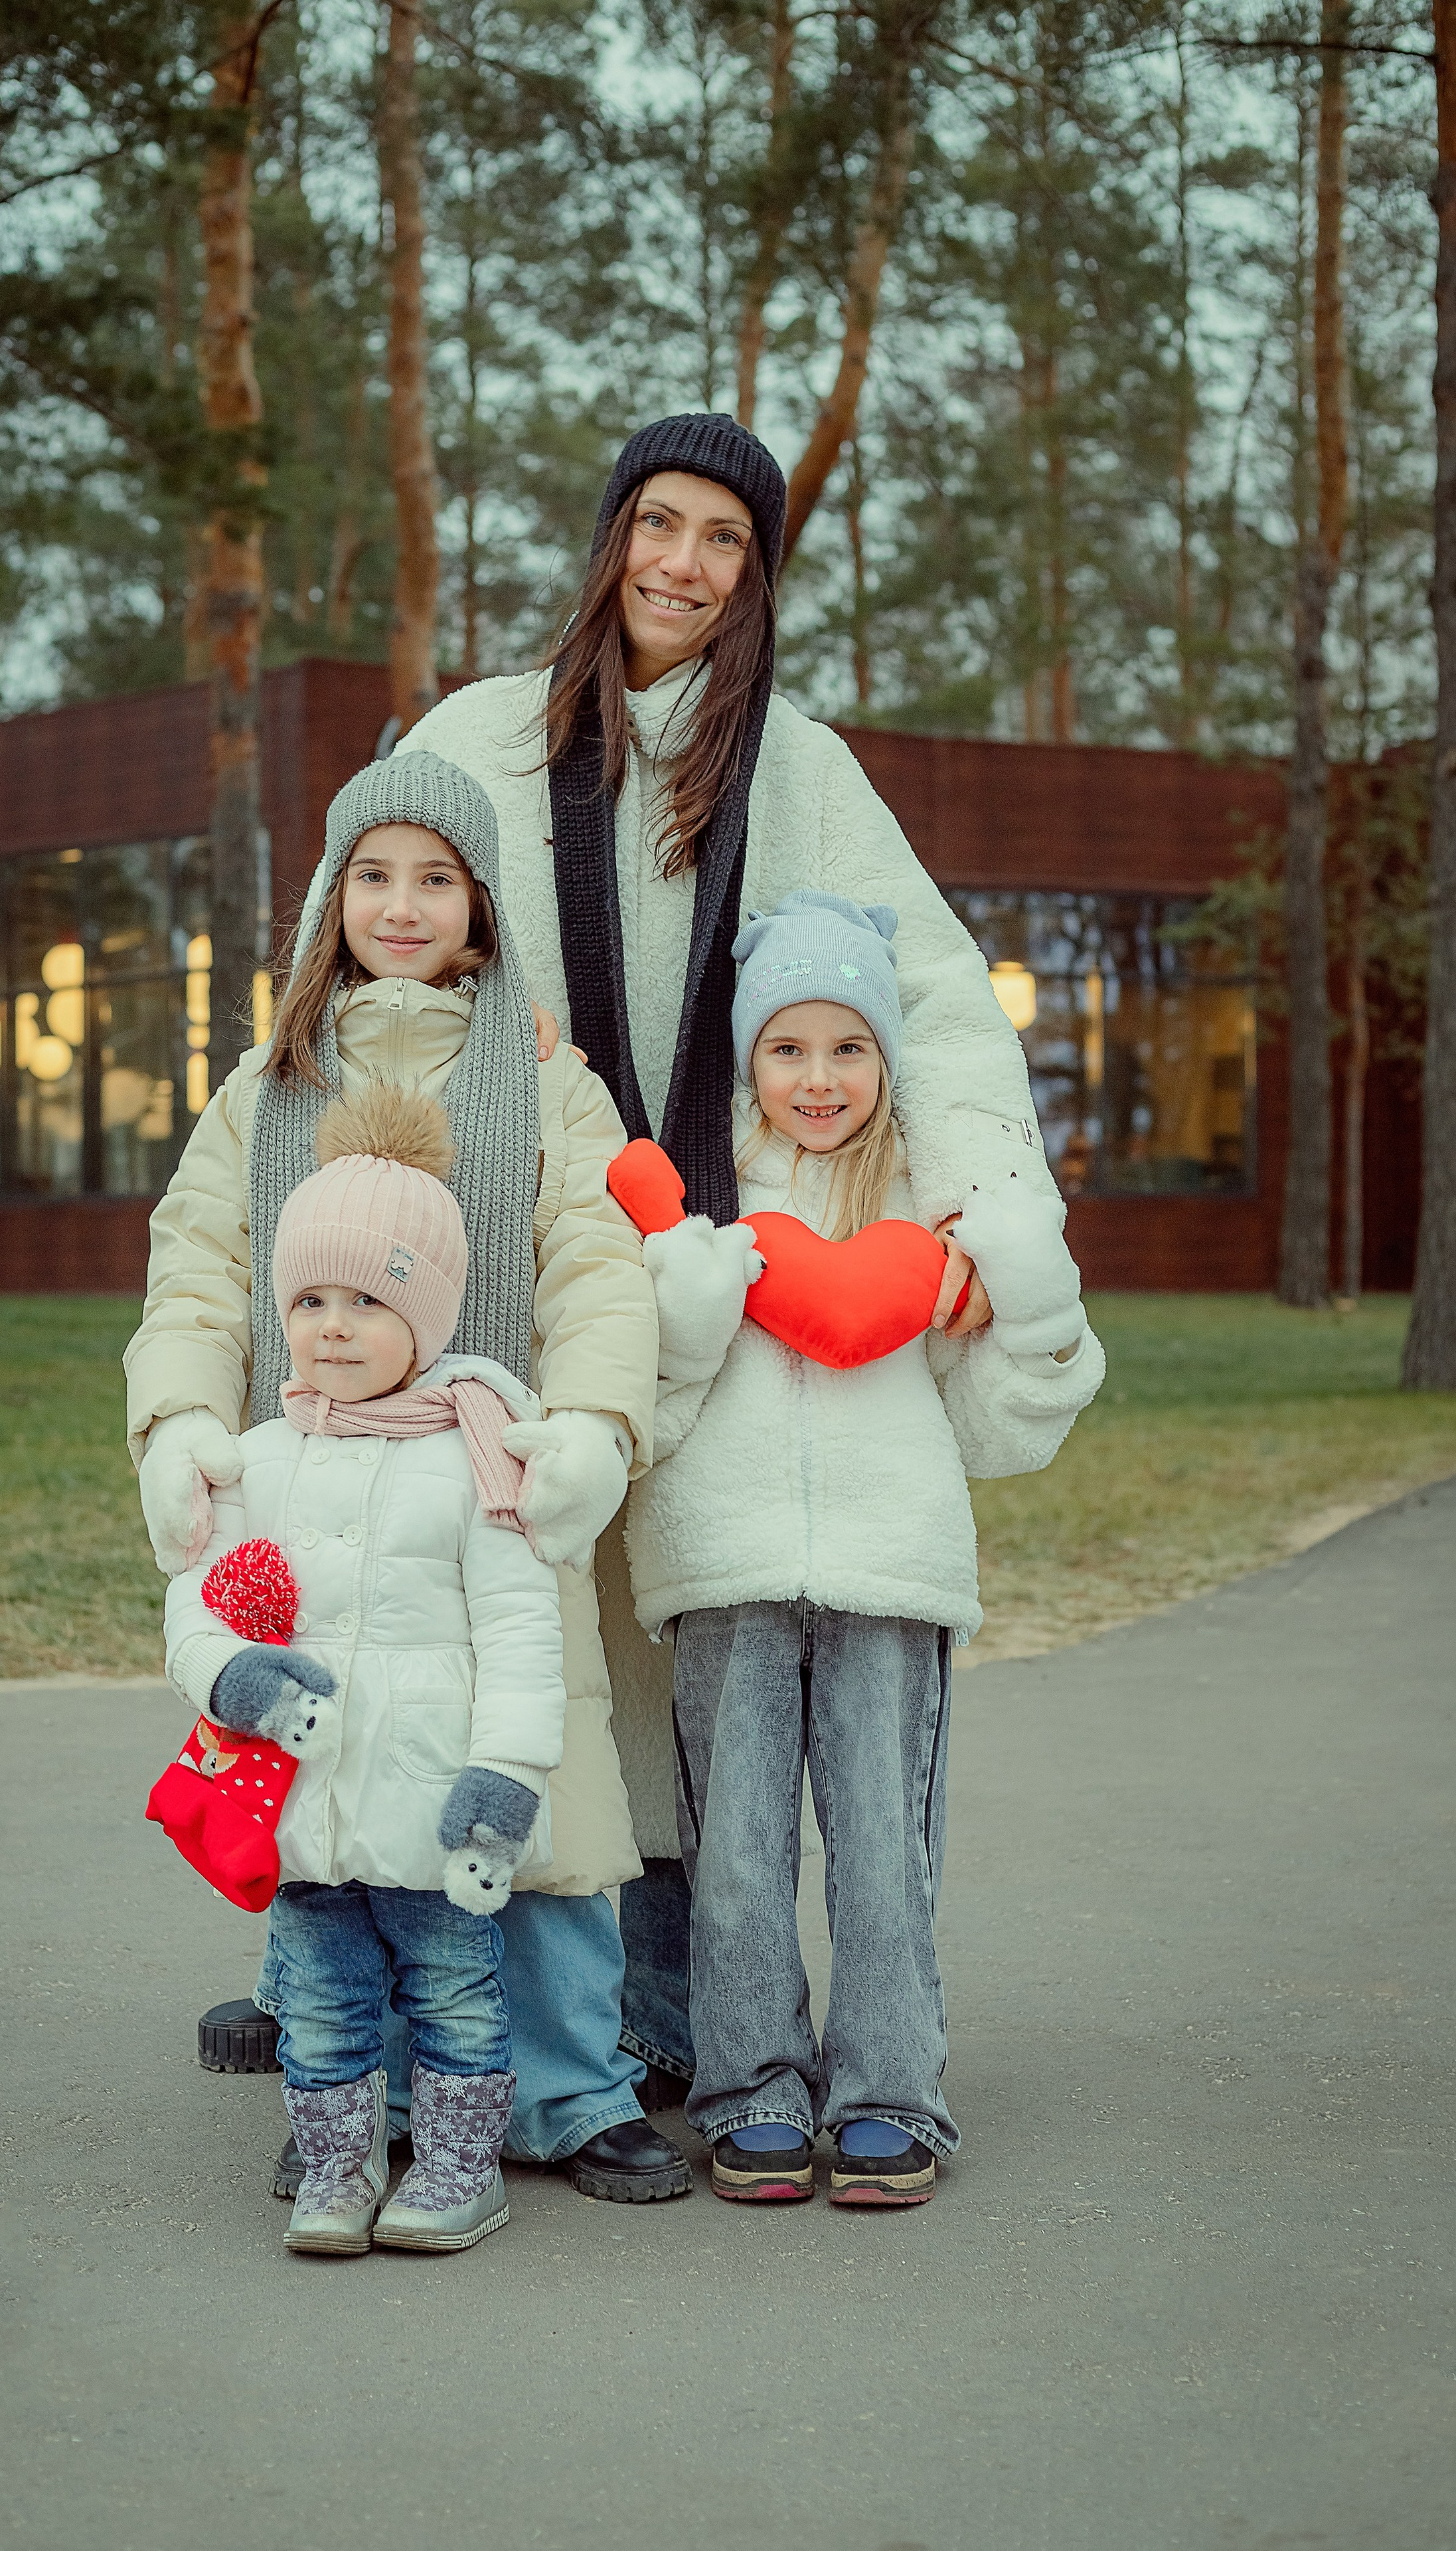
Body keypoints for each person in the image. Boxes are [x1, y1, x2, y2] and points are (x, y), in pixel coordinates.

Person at [390, 412, 1051, 2083]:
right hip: (520, 1232)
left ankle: (670, 2004)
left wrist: (979, 1213)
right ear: (612, 531)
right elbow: (376, 929)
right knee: (485, 1595)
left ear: (754, 576)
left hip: (713, 1254)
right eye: (658, 525)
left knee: (674, 1622)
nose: (680, 567)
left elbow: (930, 995)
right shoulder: (477, 738)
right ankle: (394, 1955)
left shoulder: (794, 766)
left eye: (722, 544)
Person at [127, 752, 688, 2203]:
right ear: (333, 898)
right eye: (372, 875)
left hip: (483, 1479)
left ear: (480, 910)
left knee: (525, 1771)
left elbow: (594, 1265)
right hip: (313, 1487)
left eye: (434, 878)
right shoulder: (271, 1085)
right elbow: (199, 1269)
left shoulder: (543, 1080)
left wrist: (592, 1429)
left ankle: (571, 2086)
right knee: (337, 1786)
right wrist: (183, 1423)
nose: (401, 903)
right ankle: (353, 2094)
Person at [620, 892, 1105, 2202]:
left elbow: (1013, 1418)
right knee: (732, 1855)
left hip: (893, 1565)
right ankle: (749, 2088)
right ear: (747, 1059)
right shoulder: (705, 1195)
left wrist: (1009, 1290)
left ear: (886, 1058)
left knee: (884, 1851)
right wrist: (695, 1285)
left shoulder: (935, 1209)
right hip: (723, 1565)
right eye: (788, 1047)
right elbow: (645, 1388)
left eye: (848, 1048)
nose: (818, 1078)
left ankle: (891, 2091)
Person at [165, 1084, 568, 2255]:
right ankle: (336, 2170)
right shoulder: (255, 1461)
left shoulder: (474, 1462)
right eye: (309, 1299)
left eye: (368, 1301)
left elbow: (522, 1630)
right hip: (303, 1803)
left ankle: (454, 2169)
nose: (333, 1326)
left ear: (428, 1315)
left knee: (453, 1990)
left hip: (436, 1799)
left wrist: (507, 1771)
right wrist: (229, 1675)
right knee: (326, 1999)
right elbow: (195, 1601)